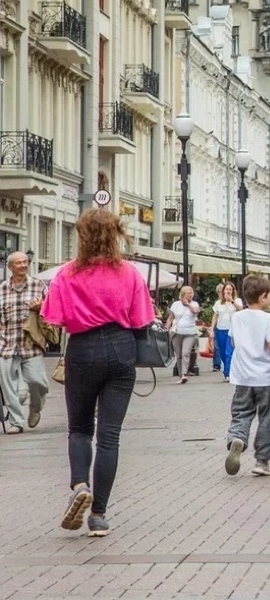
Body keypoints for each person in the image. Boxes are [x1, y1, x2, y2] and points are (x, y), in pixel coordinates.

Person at [41, 209, 156, 537]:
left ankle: (80, 485)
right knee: (109, 436)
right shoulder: (130, 273)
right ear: (115, 234)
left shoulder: (66, 273)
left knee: (79, 428)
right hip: (121, 348)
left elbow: (53, 318)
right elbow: (142, 320)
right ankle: (99, 516)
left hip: (82, 348)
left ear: (82, 236)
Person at [223, 274, 270, 478]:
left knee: (241, 412)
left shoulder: (237, 317)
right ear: (263, 296)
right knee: (268, 417)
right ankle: (262, 460)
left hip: (242, 376)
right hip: (266, 377)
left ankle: (237, 438)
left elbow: (233, 342)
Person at [0, 250, 49, 433]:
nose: (23, 265)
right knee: (8, 386)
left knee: (38, 383)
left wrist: (41, 307)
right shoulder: (2, 288)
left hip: (32, 343)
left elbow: (53, 310)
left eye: (25, 262)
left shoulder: (38, 285)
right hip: (6, 344)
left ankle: (36, 408)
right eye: (18, 263)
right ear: (10, 267)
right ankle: (16, 422)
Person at [166, 286, 200, 385]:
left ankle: (185, 373)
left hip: (190, 332)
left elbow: (195, 311)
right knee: (179, 355)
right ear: (183, 294)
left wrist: (188, 304)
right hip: (177, 332)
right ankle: (181, 376)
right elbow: (170, 318)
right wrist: (166, 328)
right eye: (188, 293)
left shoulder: (194, 304)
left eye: (191, 293)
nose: (190, 295)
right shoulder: (176, 304)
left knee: (185, 353)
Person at [211, 282, 242, 382]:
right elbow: (215, 316)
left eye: (230, 289)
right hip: (221, 329)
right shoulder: (218, 303)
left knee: (229, 352)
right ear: (223, 291)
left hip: (232, 330)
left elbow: (241, 309)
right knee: (222, 352)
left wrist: (231, 301)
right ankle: (228, 369)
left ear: (233, 291)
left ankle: (228, 373)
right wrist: (212, 329)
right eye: (226, 289)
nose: (228, 291)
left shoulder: (237, 301)